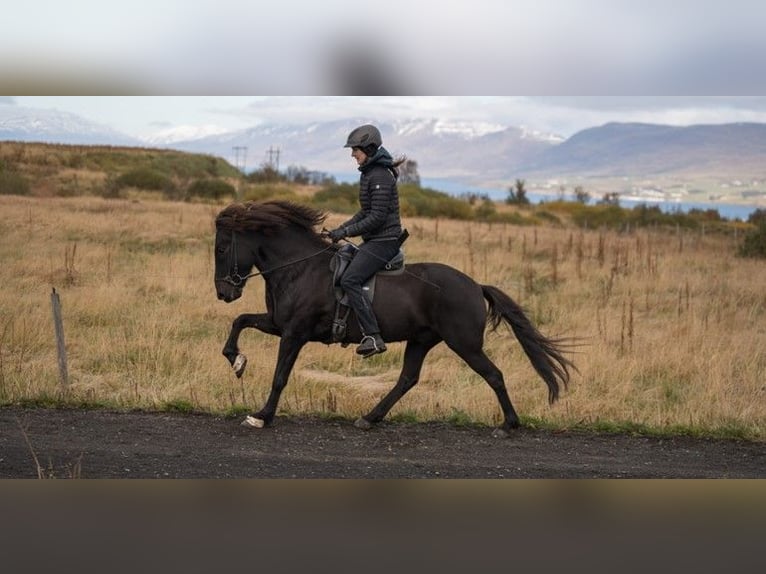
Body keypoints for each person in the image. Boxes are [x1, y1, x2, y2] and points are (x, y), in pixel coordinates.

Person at [326, 124, 403, 358]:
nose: (352, 154)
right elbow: (365, 212)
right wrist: (340, 230)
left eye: (355, 150)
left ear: (368, 148)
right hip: (375, 240)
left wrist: (347, 231)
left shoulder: (379, 175)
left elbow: (377, 217)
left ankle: (373, 335)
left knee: (350, 279)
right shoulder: (370, 173)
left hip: (385, 241)